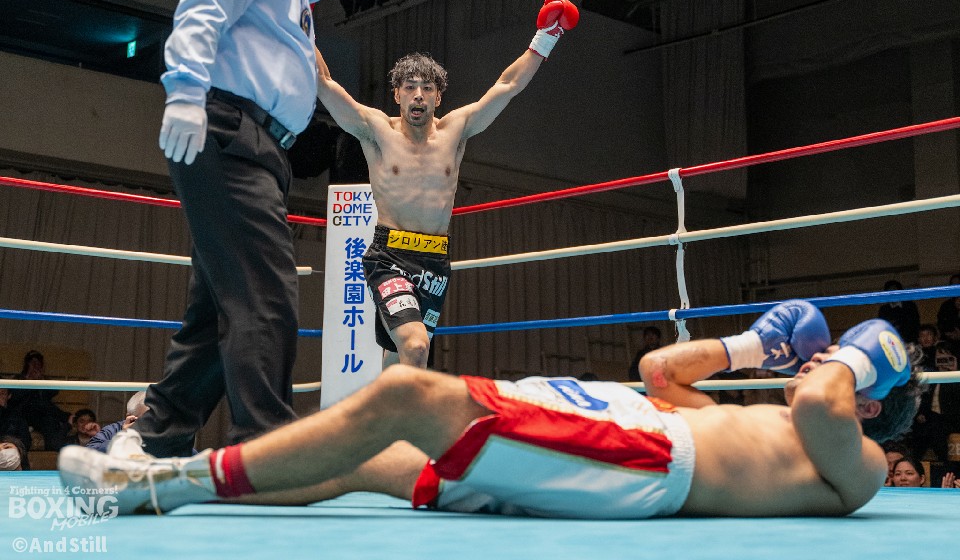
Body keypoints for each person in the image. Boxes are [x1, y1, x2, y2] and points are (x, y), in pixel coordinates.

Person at [138, 0, 466, 458]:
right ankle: (265, 455)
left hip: (260, 143)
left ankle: (155, 439)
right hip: (227, 128)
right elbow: (203, 7)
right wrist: (183, 89)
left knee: (220, 306)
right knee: (266, 296)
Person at [59, 300, 924, 518]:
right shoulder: (777, 422)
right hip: (621, 425)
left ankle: (153, 484)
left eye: (844, 366)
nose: (821, 363)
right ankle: (172, 487)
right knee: (370, 461)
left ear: (870, 401)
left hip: (645, 455)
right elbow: (660, 370)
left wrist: (862, 352)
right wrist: (750, 348)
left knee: (404, 395)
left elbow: (823, 405)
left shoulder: (857, 466)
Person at [314, 0, 579, 368]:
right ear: (397, 95)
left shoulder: (456, 130)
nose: (418, 95)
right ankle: (402, 408)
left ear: (438, 97)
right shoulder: (376, 130)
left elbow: (507, 85)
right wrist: (304, 24)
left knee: (403, 359)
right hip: (388, 257)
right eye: (409, 87)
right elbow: (324, 83)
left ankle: (388, 407)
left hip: (435, 261)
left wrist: (547, 36)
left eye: (427, 88)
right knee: (416, 346)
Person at [8, 350, 71, 451]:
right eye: (33, 363)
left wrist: (41, 381)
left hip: (39, 416)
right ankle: (64, 417)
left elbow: (53, 393)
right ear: (27, 364)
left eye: (38, 363)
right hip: (22, 414)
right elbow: (14, 398)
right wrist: (30, 382)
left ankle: (51, 452)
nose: (35, 366)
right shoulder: (18, 379)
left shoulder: (43, 380)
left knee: (50, 421)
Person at [877, 279, 920, 344]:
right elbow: (883, 328)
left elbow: (915, 325)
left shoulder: (910, 306)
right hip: (892, 343)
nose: (892, 294)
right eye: (889, 292)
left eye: (894, 291)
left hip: (910, 342)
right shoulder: (884, 310)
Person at [0, 387, 31, 455]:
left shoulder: (16, 416)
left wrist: (13, 447)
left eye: (2, 394)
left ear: (9, 396)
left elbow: (26, 442)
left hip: (11, 454)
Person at [936, 274, 960, 341]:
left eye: (958, 284)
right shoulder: (946, 305)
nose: (955, 287)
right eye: (953, 285)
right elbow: (940, 322)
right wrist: (948, 333)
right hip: (948, 338)